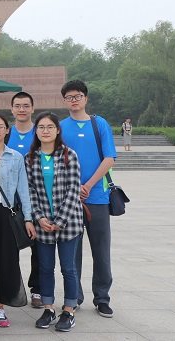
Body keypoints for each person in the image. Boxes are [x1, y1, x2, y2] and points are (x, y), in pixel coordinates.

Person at [59, 80, 116, 318]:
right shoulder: (60, 127)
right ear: (64, 101)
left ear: (86, 98)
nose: (74, 100)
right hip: (69, 200)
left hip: (98, 197)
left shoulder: (99, 124)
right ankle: (75, 297)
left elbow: (109, 158)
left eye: (78, 96)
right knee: (72, 252)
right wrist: (73, 188)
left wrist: (89, 185)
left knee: (101, 251)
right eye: (69, 97)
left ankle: (102, 298)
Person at [26, 112, 83, 332]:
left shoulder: (69, 155)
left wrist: (60, 220)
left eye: (50, 127)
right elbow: (30, 191)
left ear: (58, 130)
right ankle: (48, 308)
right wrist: (39, 217)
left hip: (69, 223)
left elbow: (73, 189)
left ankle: (69, 310)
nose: (46, 131)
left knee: (68, 268)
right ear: (36, 131)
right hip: (43, 225)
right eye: (41, 127)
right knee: (45, 268)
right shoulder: (31, 158)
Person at [0, 113, 34, 328]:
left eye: (0, 126)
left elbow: (23, 190)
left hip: (6, 213)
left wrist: (28, 218)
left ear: (7, 130)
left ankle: (0, 306)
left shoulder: (16, 157)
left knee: (6, 261)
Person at [7, 91, 42, 307]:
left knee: (37, 247)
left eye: (26, 105)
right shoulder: (6, 133)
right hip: (10, 202)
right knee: (10, 247)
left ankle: (37, 289)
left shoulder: (40, 132)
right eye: (18, 106)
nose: (22, 109)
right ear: (12, 109)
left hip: (37, 199)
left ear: (32, 108)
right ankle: (12, 290)